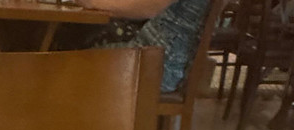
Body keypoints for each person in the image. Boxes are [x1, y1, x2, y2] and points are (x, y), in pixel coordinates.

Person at [80, 0, 211, 93]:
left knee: (75, 60)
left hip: (158, 65)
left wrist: (93, 2)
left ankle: (92, 120)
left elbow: (149, 7)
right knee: (85, 43)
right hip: (160, 58)